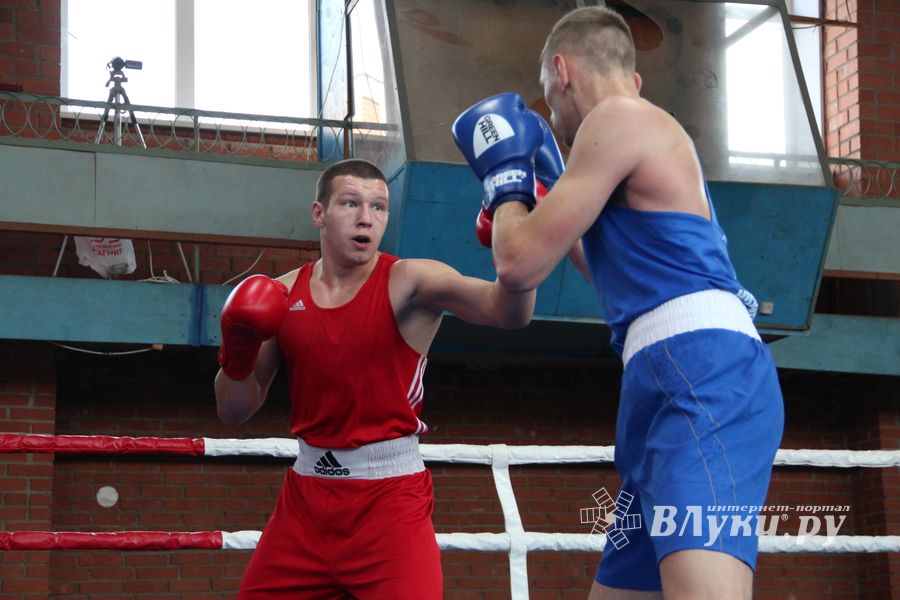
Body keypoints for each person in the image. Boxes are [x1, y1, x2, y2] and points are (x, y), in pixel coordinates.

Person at [452, 6, 784, 600]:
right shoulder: (624, 137)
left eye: (548, 93)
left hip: (701, 374)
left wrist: (505, 183)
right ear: (633, 76)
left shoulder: (617, 117)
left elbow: (518, 263)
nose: (552, 115)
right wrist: (536, 196)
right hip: (661, 375)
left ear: (561, 71)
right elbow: (591, 260)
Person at [214, 158, 536, 599]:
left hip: (390, 503)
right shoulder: (282, 293)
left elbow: (509, 313)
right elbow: (233, 412)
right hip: (305, 502)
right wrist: (238, 352)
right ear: (319, 214)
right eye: (350, 203)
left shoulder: (411, 282)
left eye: (379, 207)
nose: (366, 218)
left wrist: (520, 241)